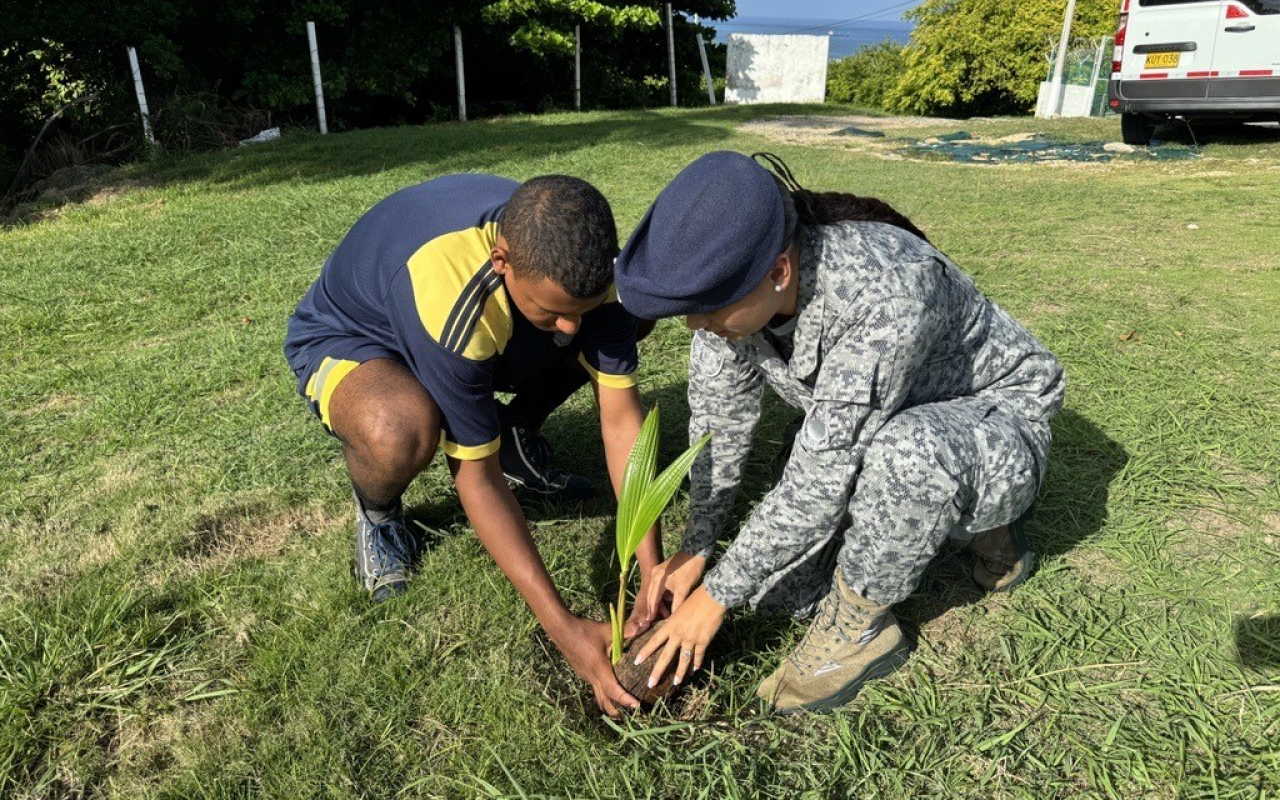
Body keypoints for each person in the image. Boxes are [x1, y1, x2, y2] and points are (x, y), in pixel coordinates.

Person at [614, 151, 1066, 714]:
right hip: (883, 418)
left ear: (779, 271)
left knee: (908, 455)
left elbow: (822, 478)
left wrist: (715, 598)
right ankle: (930, 528)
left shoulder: (887, 293)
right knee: (784, 590)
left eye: (706, 311)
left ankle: (870, 623)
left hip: (994, 424)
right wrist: (697, 548)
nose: (694, 326)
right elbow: (718, 427)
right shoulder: (731, 289)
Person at [284, 173, 661, 716]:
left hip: (488, 317)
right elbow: (477, 479)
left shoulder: (582, 269)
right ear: (503, 259)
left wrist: (651, 568)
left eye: (579, 306)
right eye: (552, 309)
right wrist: (563, 628)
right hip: (356, 335)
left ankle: (516, 427)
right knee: (400, 432)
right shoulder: (454, 295)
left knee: (629, 317)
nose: (569, 327)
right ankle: (380, 513)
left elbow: (624, 425)